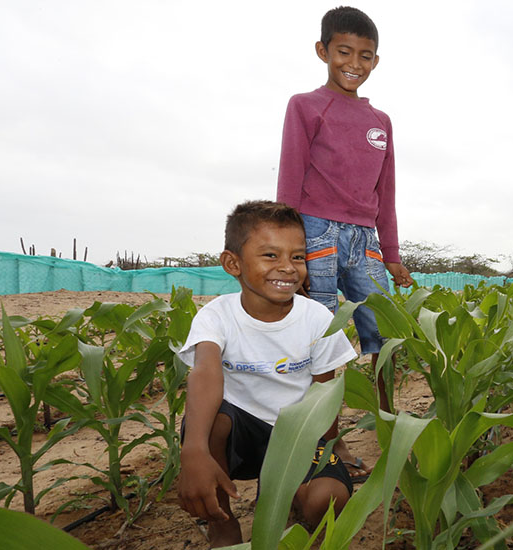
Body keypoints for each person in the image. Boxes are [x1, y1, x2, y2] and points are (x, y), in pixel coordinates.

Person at [276, 5, 413, 477]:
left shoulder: (381, 121)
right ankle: (328, 441)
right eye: (344, 51)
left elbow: (386, 191)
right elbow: (291, 177)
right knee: (323, 337)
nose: (354, 62)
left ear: (376, 60)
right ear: (323, 51)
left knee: (384, 336)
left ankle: (389, 428)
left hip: (365, 239)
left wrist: (390, 254)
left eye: (365, 55)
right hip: (315, 231)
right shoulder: (306, 106)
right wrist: (289, 252)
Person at [177, 200, 358, 547]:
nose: (288, 268)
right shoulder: (217, 316)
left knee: (327, 499)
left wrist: (333, 448)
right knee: (211, 421)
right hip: (240, 437)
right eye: (271, 256)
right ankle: (222, 522)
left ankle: (291, 497)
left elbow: (325, 397)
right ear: (233, 263)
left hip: (298, 434)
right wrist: (193, 450)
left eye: (298, 257)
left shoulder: (318, 319)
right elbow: (205, 375)